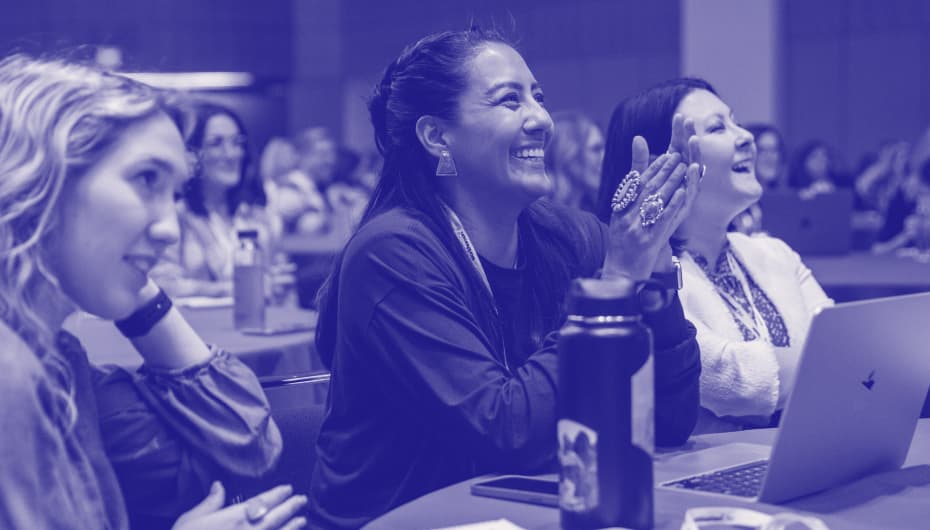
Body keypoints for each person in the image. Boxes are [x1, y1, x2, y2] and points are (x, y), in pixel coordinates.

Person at [308, 28, 703, 528]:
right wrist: (617, 282)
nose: (540, 118)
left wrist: (656, 268)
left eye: (538, 97)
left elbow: (669, 421)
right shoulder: (392, 254)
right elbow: (507, 433)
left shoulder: (571, 236)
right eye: (508, 101)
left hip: (528, 510)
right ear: (437, 137)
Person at [0, 54, 308, 529]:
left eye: (175, 193)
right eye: (147, 179)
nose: (170, 230)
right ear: (42, 174)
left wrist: (137, 288)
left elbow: (247, 442)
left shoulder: (58, 356)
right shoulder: (11, 372)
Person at [597, 78, 833, 434]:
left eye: (735, 121)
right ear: (669, 162)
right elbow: (729, 378)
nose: (746, 137)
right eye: (718, 128)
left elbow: (840, 338)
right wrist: (826, 368)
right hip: (701, 475)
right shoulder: (648, 276)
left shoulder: (774, 253)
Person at [152, 102, 283, 298]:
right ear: (191, 154)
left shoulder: (260, 218)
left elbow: (277, 286)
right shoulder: (173, 215)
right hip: (195, 326)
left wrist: (280, 286)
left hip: (252, 326)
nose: (231, 154)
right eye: (216, 143)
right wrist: (231, 290)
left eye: (237, 143)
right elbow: (159, 285)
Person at [544, 110, 605, 212]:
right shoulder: (538, 216)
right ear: (569, 156)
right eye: (596, 149)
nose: (604, 157)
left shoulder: (597, 213)